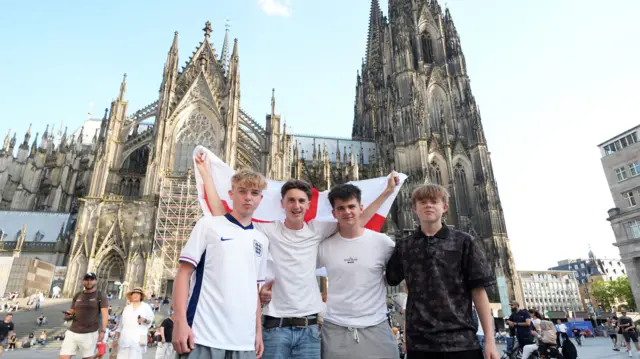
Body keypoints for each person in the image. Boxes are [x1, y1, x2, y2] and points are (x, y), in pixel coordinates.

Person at [195, 151, 398, 359]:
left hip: (309, 329)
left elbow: (354, 220)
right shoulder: (267, 230)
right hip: (275, 327)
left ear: (308, 205)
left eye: (301, 200)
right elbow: (224, 218)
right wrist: (206, 175)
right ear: (282, 204)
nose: (296, 205)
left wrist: (387, 192)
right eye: (291, 200)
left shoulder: (318, 230)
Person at [386, 184, 498, 359]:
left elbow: (478, 291)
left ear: (445, 207)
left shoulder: (464, 242)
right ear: (414, 209)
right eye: (422, 202)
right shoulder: (405, 246)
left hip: (461, 342)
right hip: (420, 343)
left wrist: (489, 340)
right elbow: (393, 281)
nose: (428, 205)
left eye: (433, 201)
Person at [172, 168, 270, 359]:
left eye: (255, 193)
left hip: (244, 342)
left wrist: (258, 332)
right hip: (203, 336)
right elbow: (183, 274)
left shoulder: (262, 240)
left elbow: (254, 291)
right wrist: (179, 322)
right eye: (242, 191)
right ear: (231, 194)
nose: (248, 197)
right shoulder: (208, 225)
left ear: (260, 199)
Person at [317, 184, 398, 359]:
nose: (347, 212)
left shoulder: (383, 243)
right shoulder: (324, 247)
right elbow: (298, 269)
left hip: (377, 326)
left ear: (361, 208)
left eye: (351, 206)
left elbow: (406, 269)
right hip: (336, 328)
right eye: (341, 208)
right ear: (334, 213)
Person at [59, 272, 109, 359]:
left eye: (91, 280)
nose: (89, 282)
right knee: (63, 357)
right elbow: (73, 310)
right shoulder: (78, 295)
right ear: (83, 282)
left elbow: (105, 315)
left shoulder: (100, 296)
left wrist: (102, 331)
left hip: (89, 333)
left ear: (96, 281)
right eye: (86, 280)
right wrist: (69, 314)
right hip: (73, 331)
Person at [112, 287, 154, 359]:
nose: (135, 295)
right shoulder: (127, 308)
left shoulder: (146, 307)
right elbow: (121, 324)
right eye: (134, 294)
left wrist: (144, 320)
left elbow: (150, 320)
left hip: (139, 336)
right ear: (131, 296)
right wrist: (116, 338)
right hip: (125, 337)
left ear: (141, 296)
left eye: (138, 294)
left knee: (135, 356)